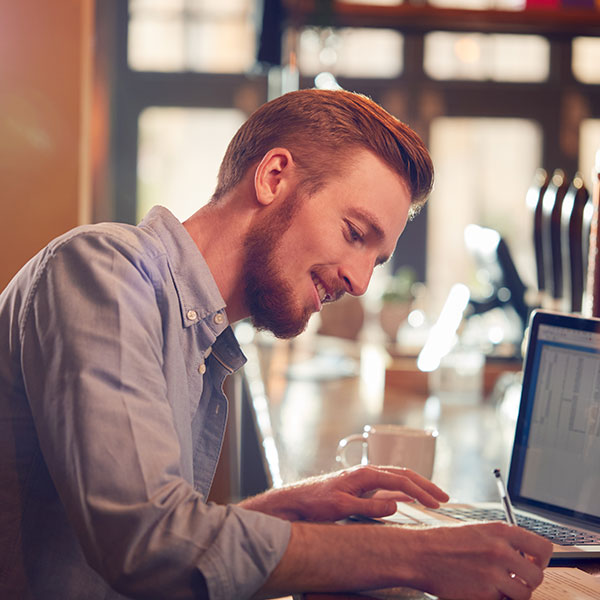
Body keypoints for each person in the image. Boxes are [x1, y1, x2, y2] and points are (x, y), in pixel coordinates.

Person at [0, 89, 551, 600]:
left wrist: (283, 510)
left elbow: (166, 544)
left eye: (375, 261)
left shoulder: (201, 337)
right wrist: (416, 556)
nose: (360, 281)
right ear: (273, 177)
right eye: (354, 234)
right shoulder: (102, 272)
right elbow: (144, 543)